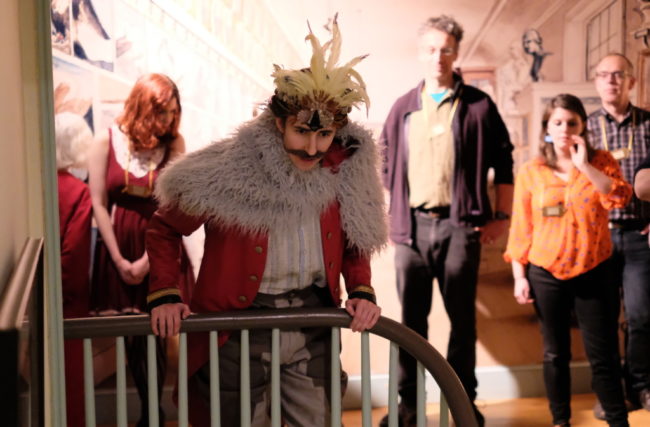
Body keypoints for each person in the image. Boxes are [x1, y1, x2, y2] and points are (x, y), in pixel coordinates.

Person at [145, 15, 386, 427]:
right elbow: (164, 227)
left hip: (314, 322)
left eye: (324, 135)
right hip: (239, 326)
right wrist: (166, 292)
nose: (312, 148)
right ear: (279, 123)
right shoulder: (229, 169)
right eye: (301, 132)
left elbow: (355, 237)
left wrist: (361, 288)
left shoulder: (341, 167)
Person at [379, 14, 514, 427]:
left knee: (461, 321)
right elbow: (383, 164)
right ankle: (408, 408)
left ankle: (462, 403)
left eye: (446, 49)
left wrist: (502, 218)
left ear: (457, 52)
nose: (438, 56)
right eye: (431, 49)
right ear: (421, 54)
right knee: (410, 325)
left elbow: (505, 165)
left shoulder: (478, 105)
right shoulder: (402, 107)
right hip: (412, 231)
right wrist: (396, 212)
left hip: (460, 229)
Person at [505, 94, 631, 427]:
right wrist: (520, 276)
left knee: (603, 354)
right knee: (554, 353)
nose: (564, 129)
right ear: (546, 128)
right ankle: (561, 421)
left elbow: (618, 196)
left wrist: (583, 166)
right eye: (557, 123)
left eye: (571, 123)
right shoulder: (532, 171)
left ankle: (619, 421)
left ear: (583, 127)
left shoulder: (601, 161)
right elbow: (521, 228)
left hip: (595, 270)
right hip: (546, 273)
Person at [88, 73, 194, 427]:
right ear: (143, 107)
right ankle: (151, 412)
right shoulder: (105, 142)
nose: (167, 121)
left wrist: (149, 262)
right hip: (119, 243)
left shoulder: (174, 143)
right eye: (161, 112)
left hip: (160, 245)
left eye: (172, 113)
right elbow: (98, 203)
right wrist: (118, 258)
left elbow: (179, 206)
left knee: (160, 327)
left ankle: (154, 414)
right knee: (133, 332)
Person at [587, 53, 650, 418]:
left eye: (618, 75)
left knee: (642, 316)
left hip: (641, 234)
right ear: (596, 82)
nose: (611, 81)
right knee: (603, 319)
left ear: (631, 81)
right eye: (604, 75)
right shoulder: (587, 128)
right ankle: (611, 393)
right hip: (599, 238)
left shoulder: (648, 124)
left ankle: (640, 385)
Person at [55, 112, 93, 427]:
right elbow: (75, 254)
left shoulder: (38, 186)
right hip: (69, 302)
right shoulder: (78, 191)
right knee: (71, 380)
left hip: (37, 294)